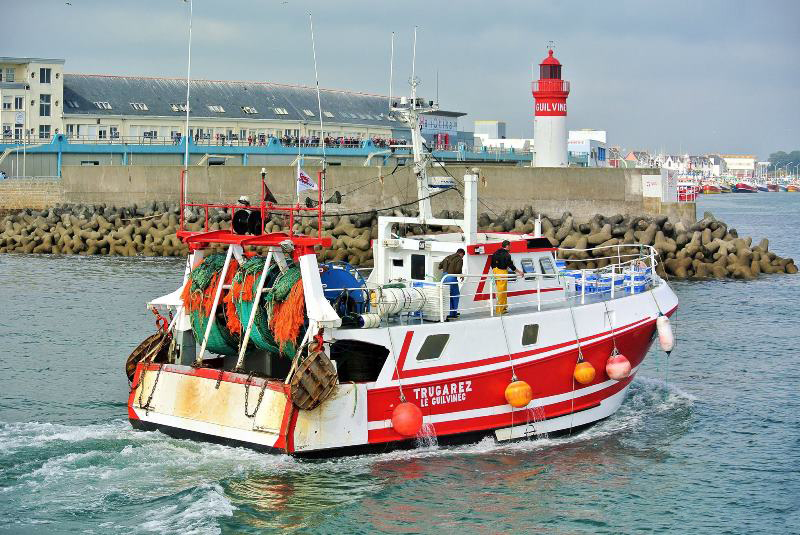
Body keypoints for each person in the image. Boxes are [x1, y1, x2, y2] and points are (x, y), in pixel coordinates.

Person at [490, 240, 523, 315]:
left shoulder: (496, 252)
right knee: (502, 291)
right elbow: (511, 266)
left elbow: (492, 263)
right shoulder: (507, 255)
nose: (510, 247)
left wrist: (495, 270)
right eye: (510, 246)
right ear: (507, 246)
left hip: (495, 272)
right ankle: (500, 309)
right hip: (502, 272)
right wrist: (520, 272)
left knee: (501, 291)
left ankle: (503, 307)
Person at [439, 248, 465, 319]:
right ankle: (453, 314)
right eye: (463, 256)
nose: (462, 257)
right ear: (461, 254)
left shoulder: (448, 257)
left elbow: (439, 266)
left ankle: (447, 313)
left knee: (447, 295)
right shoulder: (459, 259)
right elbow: (458, 270)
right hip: (451, 278)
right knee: (455, 295)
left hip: (443, 278)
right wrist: (461, 274)